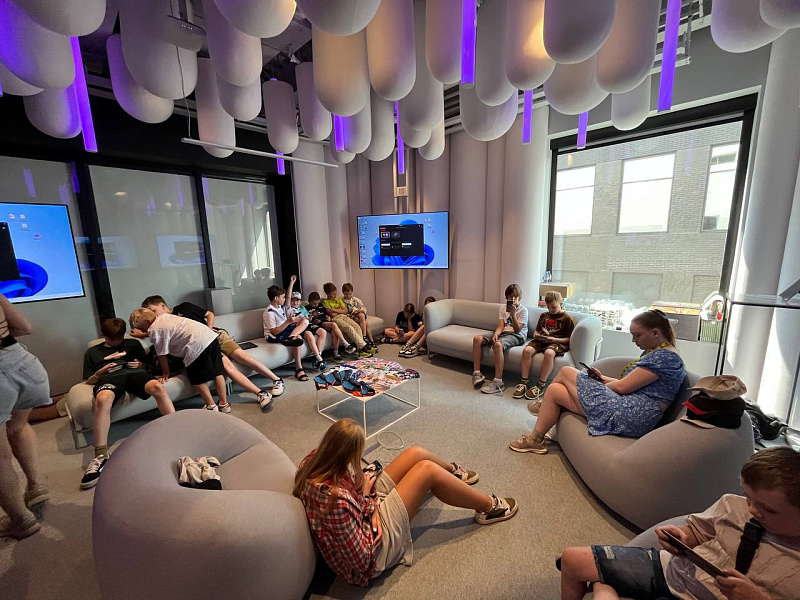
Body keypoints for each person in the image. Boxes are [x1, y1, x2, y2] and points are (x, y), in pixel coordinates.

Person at [293, 419, 518, 587]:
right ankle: (490, 507)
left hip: (362, 507)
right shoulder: (336, 501)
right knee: (427, 471)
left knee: (415, 453)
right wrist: (369, 501)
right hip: (375, 550)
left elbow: (353, 491)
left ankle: (452, 473)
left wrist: (365, 491)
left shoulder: (313, 461)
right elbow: (363, 560)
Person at [558, 446, 800, 600]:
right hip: (673, 571)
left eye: (768, 509)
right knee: (571, 559)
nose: (752, 510)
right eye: (748, 497)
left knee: (603, 586)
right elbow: (696, 532)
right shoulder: (731, 505)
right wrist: (682, 537)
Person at [509, 309, 686, 454]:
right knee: (555, 390)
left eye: (638, 335)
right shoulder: (659, 354)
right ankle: (536, 440)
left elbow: (623, 387)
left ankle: (542, 406)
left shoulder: (666, 358)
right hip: (628, 407)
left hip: (632, 415)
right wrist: (601, 379)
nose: (634, 340)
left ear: (655, 333)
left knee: (566, 371)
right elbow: (628, 383)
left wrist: (597, 384)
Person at [79, 318, 175, 490]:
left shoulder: (133, 344)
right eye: (111, 339)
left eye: (119, 338)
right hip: (109, 377)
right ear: (103, 335)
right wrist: (100, 372)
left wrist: (140, 364)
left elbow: (148, 365)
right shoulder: (92, 352)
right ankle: (100, 456)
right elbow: (89, 380)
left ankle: (177, 431)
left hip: (135, 373)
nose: (116, 342)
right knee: (103, 399)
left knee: (158, 388)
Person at [140, 295, 280, 410]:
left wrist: (209, 327)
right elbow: (161, 337)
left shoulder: (183, 307)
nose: (152, 315)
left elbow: (209, 314)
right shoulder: (161, 324)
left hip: (214, 335)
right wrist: (144, 334)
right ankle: (258, 393)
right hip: (201, 346)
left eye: (153, 311)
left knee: (242, 357)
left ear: (163, 306)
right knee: (226, 367)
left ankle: (276, 380)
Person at [0, 294, 50, 540]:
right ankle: (35, 485)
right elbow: (24, 327)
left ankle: (21, 520)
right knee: (18, 426)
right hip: (22, 363)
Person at [129, 308, 230, 413]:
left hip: (196, 345)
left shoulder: (154, 330)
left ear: (147, 322)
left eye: (141, 328)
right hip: (209, 336)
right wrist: (144, 334)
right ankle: (224, 404)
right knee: (217, 372)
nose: (142, 331)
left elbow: (162, 355)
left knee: (196, 379)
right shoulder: (164, 317)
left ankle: (211, 405)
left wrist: (165, 373)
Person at [512, 291, 575, 400]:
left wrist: (553, 339)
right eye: (548, 307)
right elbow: (537, 330)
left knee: (549, 353)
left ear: (561, 304)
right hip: (541, 340)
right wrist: (536, 334)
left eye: (554, 307)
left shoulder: (567, 318)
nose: (551, 310)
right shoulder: (544, 315)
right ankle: (524, 382)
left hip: (557, 342)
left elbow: (569, 339)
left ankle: (541, 384)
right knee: (527, 351)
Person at [264, 276, 326, 381]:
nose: (285, 299)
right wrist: (288, 322)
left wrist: (292, 282)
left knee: (304, 321)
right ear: (276, 298)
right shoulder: (269, 312)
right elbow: (274, 331)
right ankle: (298, 369)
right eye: (282, 297)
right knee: (298, 339)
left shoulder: (280, 307)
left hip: (285, 329)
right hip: (273, 336)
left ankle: (292, 336)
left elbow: (289, 297)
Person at [472, 284, 528, 395]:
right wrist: (496, 334)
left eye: (515, 297)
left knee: (498, 345)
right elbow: (501, 326)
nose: (512, 299)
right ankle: (477, 373)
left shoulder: (523, 310)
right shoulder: (502, 308)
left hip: (518, 335)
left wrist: (513, 315)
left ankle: (498, 382)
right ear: (506, 297)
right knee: (477, 339)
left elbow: (517, 330)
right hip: (504, 332)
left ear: (519, 297)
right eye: (510, 297)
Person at [322, 282, 374, 358]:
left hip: (345, 316)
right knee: (349, 328)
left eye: (335, 293)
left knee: (357, 327)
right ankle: (363, 347)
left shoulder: (338, 300)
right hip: (336, 319)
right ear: (327, 294)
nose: (335, 296)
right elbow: (332, 315)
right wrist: (340, 310)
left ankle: (360, 350)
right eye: (333, 294)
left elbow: (345, 311)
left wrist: (333, 309)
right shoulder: (325, 302)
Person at [306, 291, 355, 362]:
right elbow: (307, 320)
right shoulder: (306, 308)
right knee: (333, 324)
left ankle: (336, 353)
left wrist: (328, 318)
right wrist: (312, 317)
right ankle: (345, 344)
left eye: (317, 303)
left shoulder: (321, 305)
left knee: (334, 332)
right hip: (317, 324)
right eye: (313, 304)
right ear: (309, 301)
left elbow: (326, 314)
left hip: (325, 321)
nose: (316, 305)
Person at [341, 283, 376, 348]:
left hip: (359, 315)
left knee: (362, 315)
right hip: (351, 317)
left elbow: (364, 308)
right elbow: (343, 312)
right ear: (343, 292)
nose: (348, 296)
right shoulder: (341, 301)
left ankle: (365, 337)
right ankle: (370, 340)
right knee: (366, 323)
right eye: (346, 294)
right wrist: (351, 314)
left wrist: (360, 310)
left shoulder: (355, 300)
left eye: (350, 294)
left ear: (352, 292)